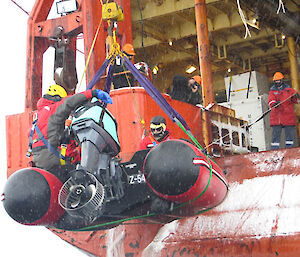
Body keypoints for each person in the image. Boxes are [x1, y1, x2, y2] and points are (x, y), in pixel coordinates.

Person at [27, 84, 112, 178]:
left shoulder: (37, 116)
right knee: (82, 177)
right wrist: (93, 93)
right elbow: (69, 102)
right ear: (57, 98)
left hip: (38, 163)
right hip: (52, 162)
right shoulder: (53, 109)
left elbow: (45, 136)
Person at [268, 72, 300, 150]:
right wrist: (274, 104)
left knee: (289, 137)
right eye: (276, 81)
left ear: (282, 80)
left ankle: (289, 151)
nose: (277, 82)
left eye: (279, 80)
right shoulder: (272, 91)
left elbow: (297, 101)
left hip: (288, 116)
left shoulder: (290, 91)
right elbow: (270, 101)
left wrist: (297, 96)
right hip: (277, 118)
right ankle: (274, 151)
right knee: (275, 137)